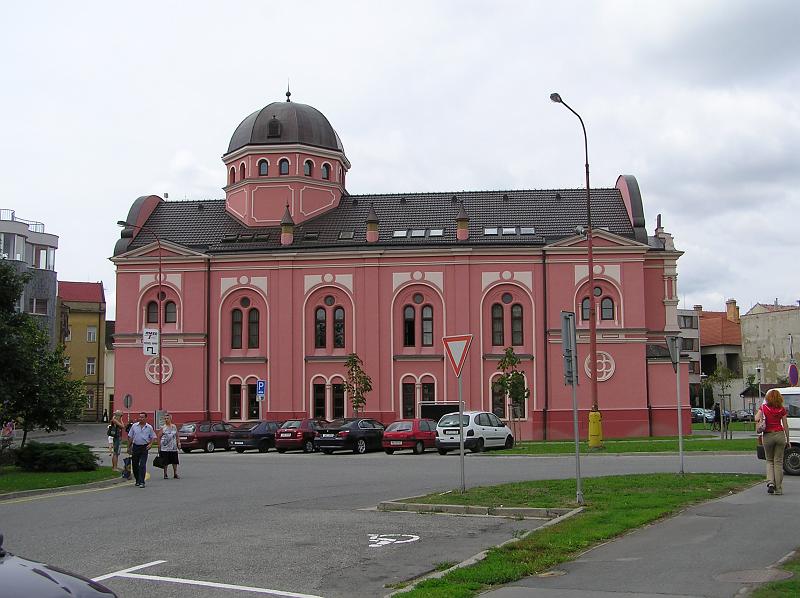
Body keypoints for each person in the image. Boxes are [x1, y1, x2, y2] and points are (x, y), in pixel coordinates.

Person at [755, 388, 789, 495]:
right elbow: (785, 425)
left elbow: (756, 418)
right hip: (779, 435)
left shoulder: (764, 408)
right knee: (778, 462)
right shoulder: (782, 409)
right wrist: (788, 439)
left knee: (769, 460)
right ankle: (778, 489)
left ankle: (770, 482)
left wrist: (761, 419)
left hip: (768, 436)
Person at [127, 412, 157, 488]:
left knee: (142, 465)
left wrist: (150, 444)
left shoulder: (149, 427)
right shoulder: (134, 426)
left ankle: (142, 481)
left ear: (146, 418)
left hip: (144, 447)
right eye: (140, 417)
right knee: (135, 464)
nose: (141, 418)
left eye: (142, 417)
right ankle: (137, 480)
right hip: (136, 446)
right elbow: (130, 437)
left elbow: (153, 437)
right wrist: (129, 447)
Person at [157, 413, 181, 479]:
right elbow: (159, 436)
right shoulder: (163, 427)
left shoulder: (174, 426)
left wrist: (178, 443)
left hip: (173, 447)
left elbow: (177, 435)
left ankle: (175, 473)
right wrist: (159, 446)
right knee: (165, 461)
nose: (166, 420)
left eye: (167, 418)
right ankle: (165, 474)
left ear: (170, 419)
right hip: (165, 447)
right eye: (165, 419)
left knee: (175, 461)